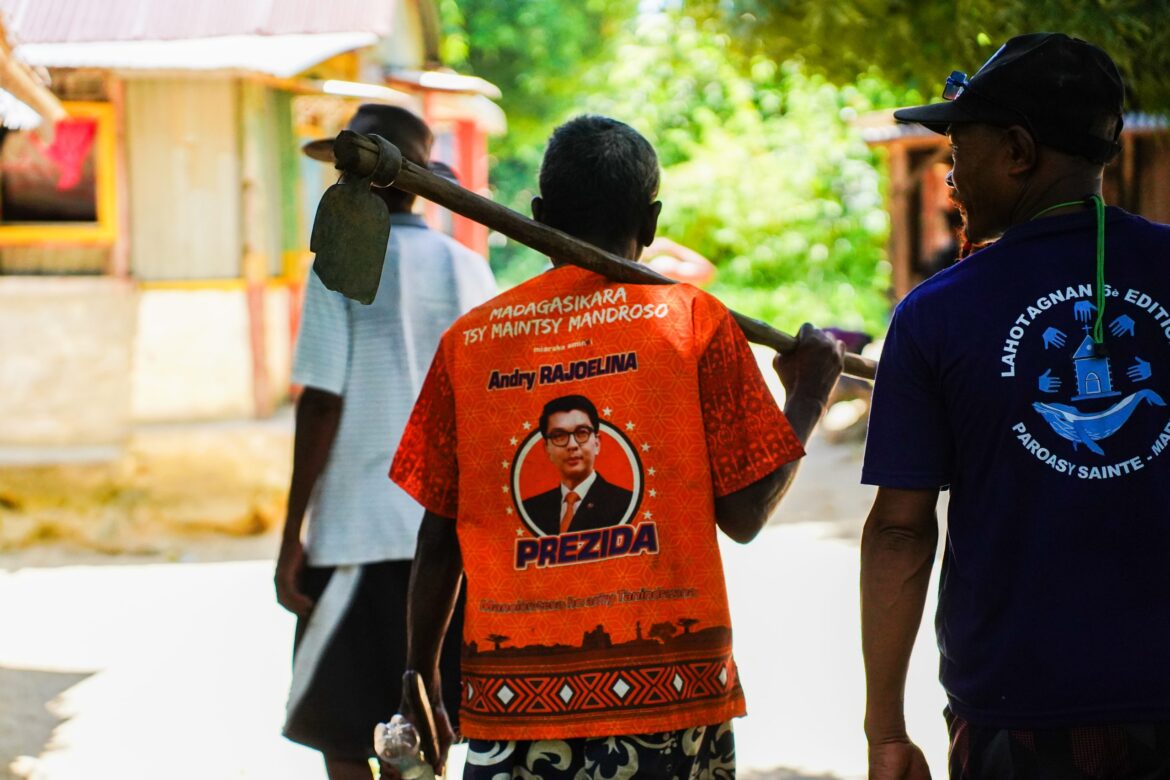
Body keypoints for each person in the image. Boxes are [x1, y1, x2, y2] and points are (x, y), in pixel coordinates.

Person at [388, 114, 845, 778]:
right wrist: (807, 393)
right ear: (652, 221)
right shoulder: (694, 322)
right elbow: (744, 515)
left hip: (515, 709)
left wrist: (420, 669)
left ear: (540, 216)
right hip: (671, 706)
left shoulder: (471, 344)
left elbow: (440, 534)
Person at [860, 33, 1170, 779]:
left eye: (958, 146)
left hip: (1021, 722)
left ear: (1018, 152)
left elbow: (901, 535)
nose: (949, 173)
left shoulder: (936, 314)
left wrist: (886, 732)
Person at [274, 104, 497, 780]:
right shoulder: (471, 271)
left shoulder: (342, 265)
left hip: (358, 534)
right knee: (421, 728)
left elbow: (321, 402)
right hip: (450, 542)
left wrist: (291, 534)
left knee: (344, 736)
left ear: (364, 176)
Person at [521, 394, 635, 535]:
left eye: (582, 433)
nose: (572, 445)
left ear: (597, 443)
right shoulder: (531, 509)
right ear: (547, 449)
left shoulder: (625, 503)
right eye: (559, 436)